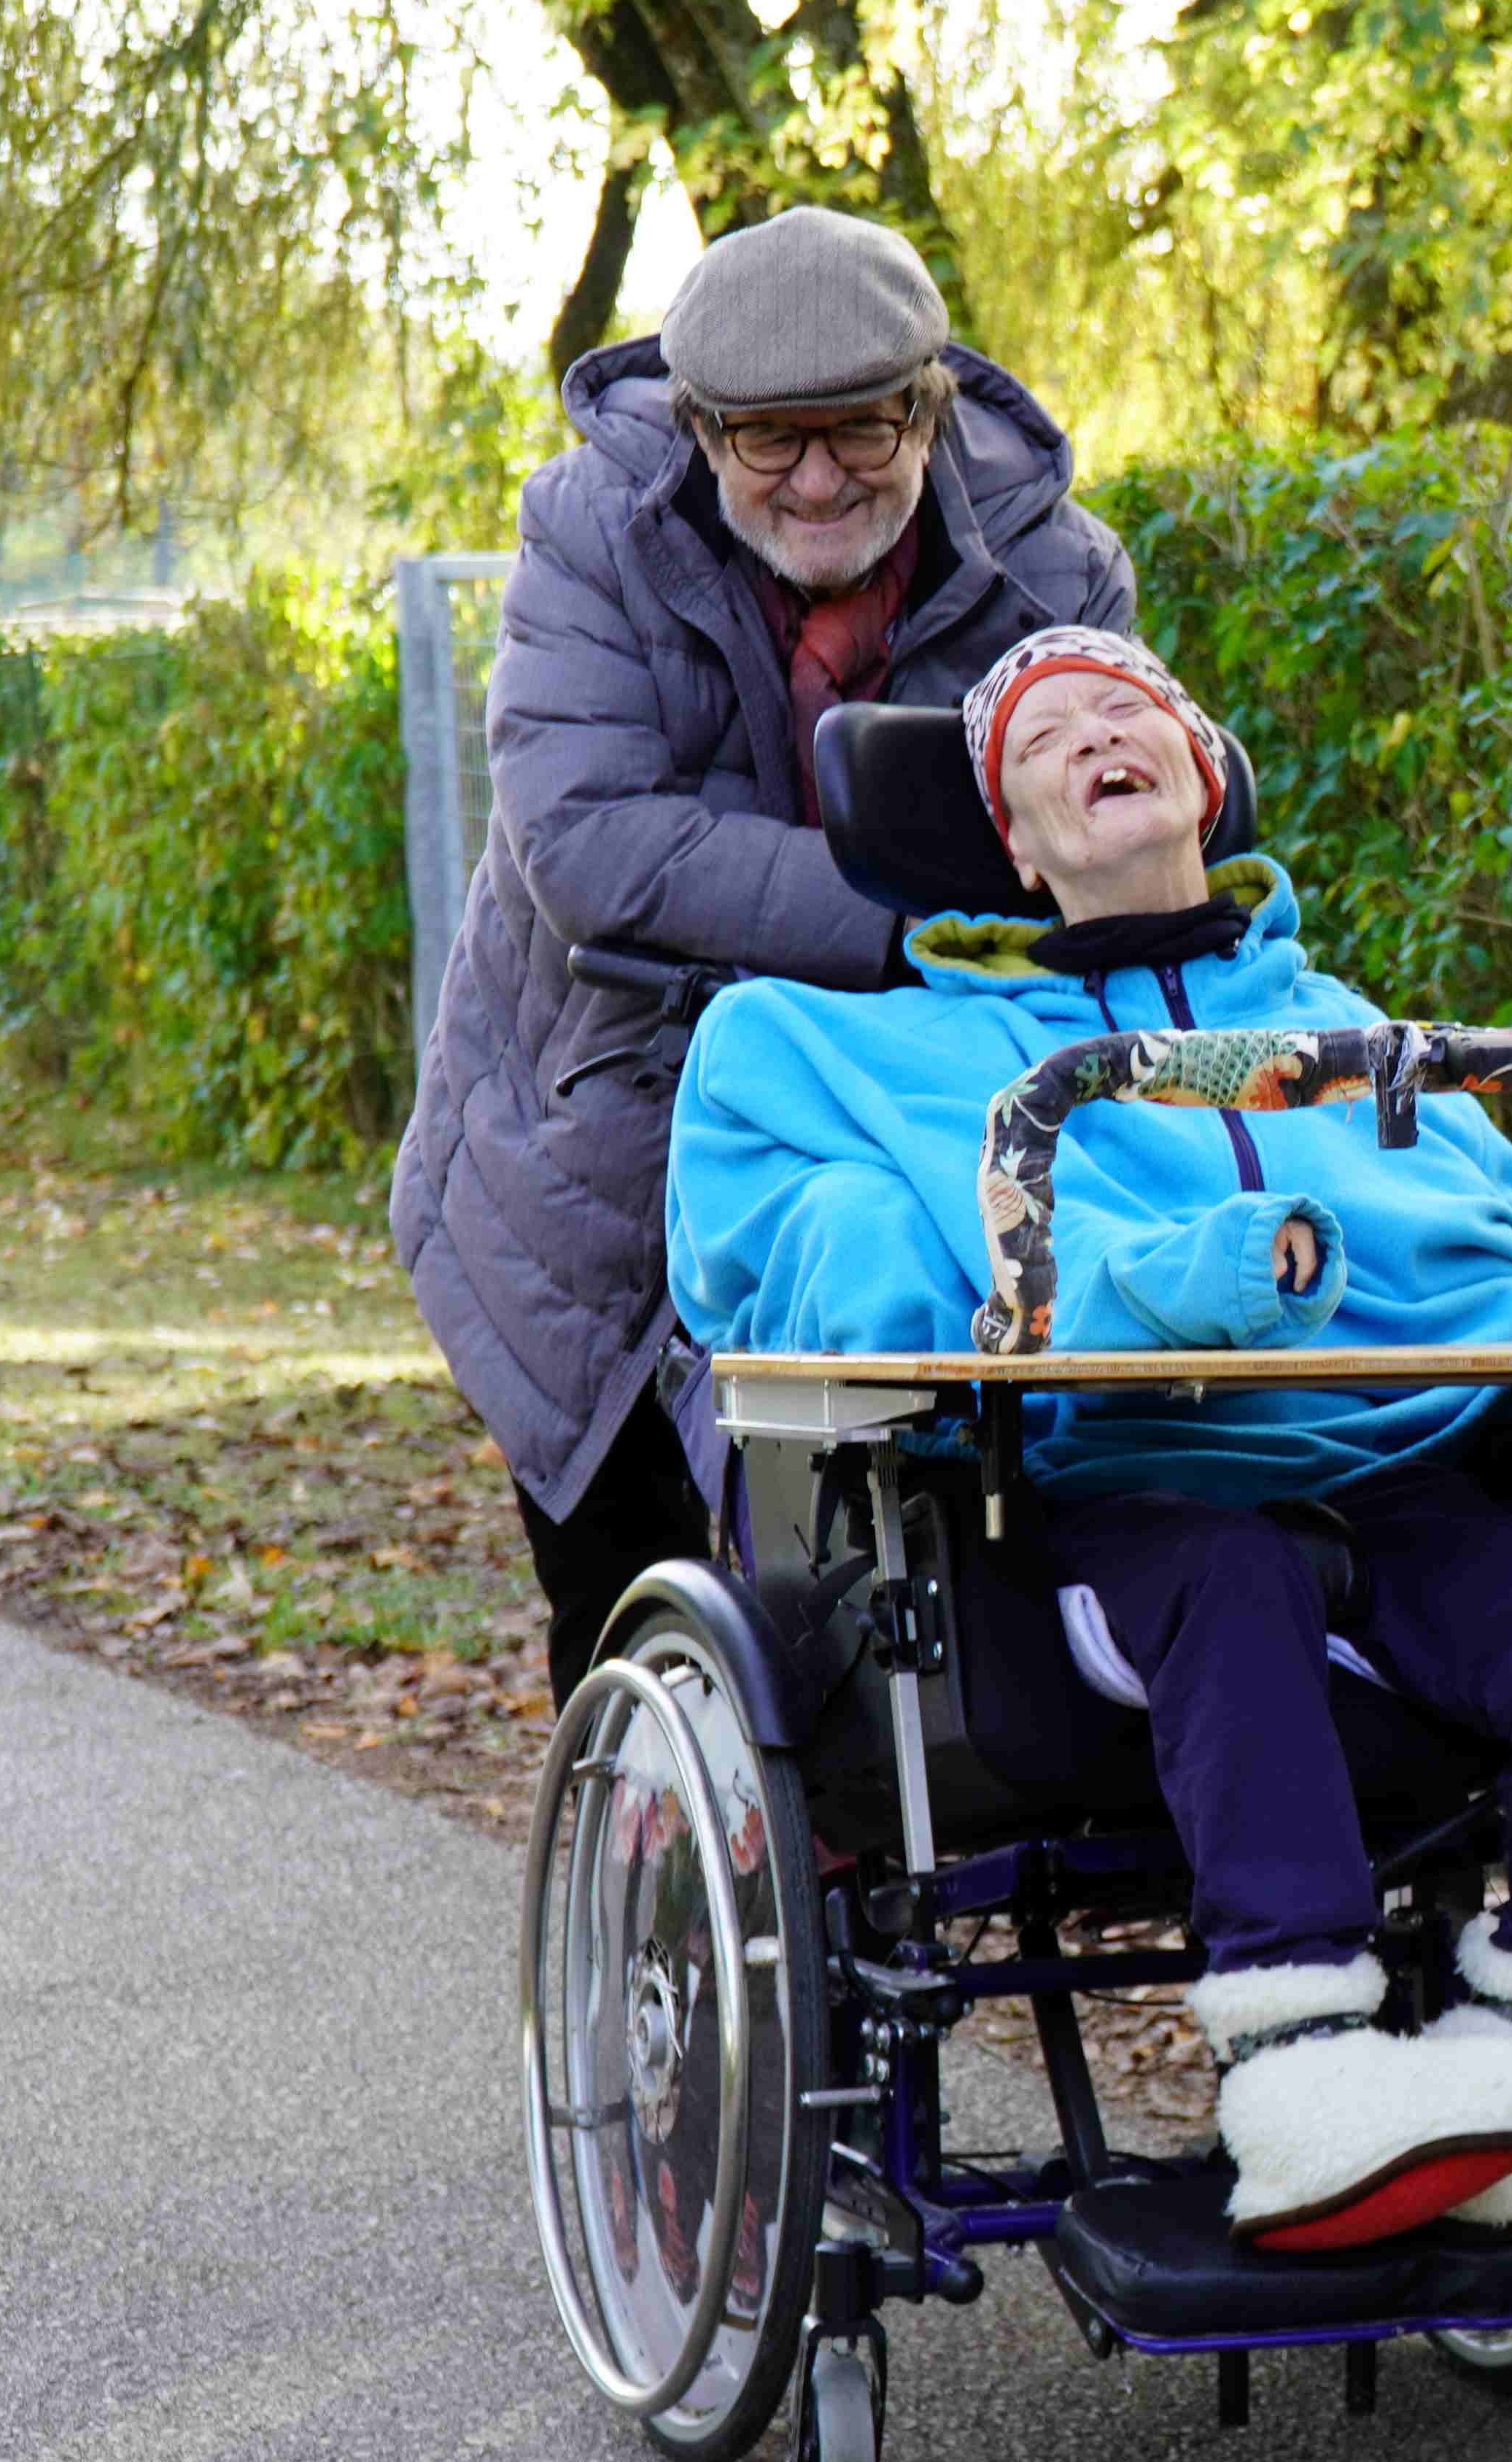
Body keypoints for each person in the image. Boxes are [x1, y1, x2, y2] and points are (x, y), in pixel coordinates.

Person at [664, 627, 1512, 2253]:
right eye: (1050, 740)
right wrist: (1162, 1284)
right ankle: (1308, 2075)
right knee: (1237, 1579)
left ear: (1205, 779)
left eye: (1134, 713)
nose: (1103, 735)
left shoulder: (1364, 1039)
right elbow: (818, 1251)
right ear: (1012, 843)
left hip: (1405, 1465)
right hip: (1123, 1493)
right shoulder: (897, 1054)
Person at [390, 206, 1137, 1704]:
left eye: (858, 433)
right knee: (634, 1605)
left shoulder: (1058, 570)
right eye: (762, 441)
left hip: (920, 1129)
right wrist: (915, 919)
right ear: (697, 424)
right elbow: (592, 844)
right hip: (597, 1134)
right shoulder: (587, 529)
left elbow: (1107, 836)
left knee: (924, 1574)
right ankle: (659, 1902)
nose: (812, 480)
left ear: (926, 406)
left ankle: (876, 1871)